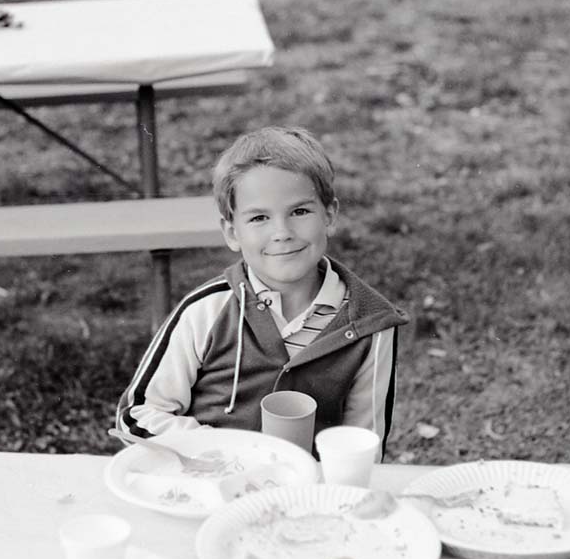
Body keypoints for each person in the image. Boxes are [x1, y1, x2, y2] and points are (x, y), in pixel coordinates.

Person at [114, 126, 408, 457]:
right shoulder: (206, 311)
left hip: (307, 494)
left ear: (330, 215)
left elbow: (363, 444)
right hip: (207, 483)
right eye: (259, 218)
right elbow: (137, 415)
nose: (281, 232)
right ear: (231, 231)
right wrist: (220, 450)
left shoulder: (370, 325)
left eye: (299, 211)